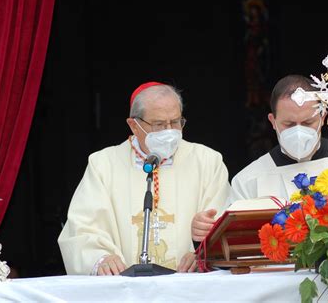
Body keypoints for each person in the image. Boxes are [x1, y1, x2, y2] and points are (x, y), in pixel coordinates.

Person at [191, 74, 328, 244]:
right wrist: (205, 231)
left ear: (323, 117)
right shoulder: (249, 180)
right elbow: (230, 242)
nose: (298, 131)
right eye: (288, 124)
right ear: (272, 121)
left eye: (307, 123)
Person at [58, 82, 230, 275]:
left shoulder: (207, 162)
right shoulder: (103, 165)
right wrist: (101, 259)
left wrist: (202, 254)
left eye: (175, 122)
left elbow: (224, 223)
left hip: (188, 285)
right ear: (134, 125)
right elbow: (81, 228)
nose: (169, 130)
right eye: (158, 124)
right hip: (125, 290)